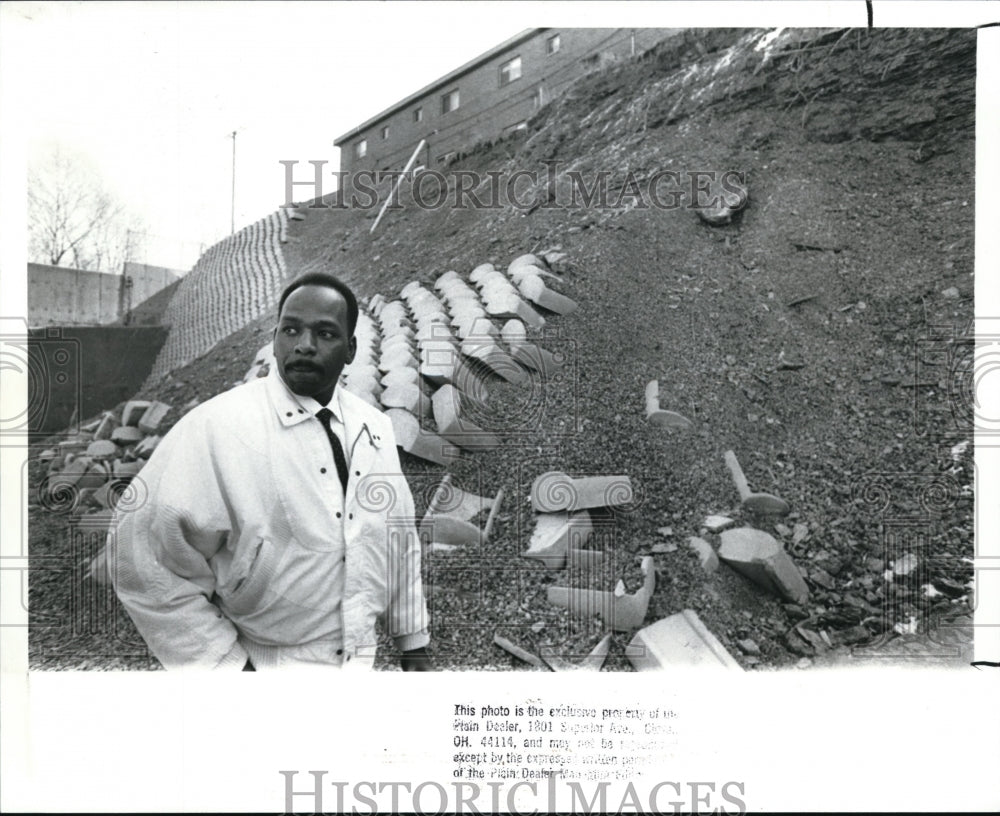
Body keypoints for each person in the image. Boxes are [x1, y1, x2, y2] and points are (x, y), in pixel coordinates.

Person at [109, 272, 431, 670]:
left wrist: (413, 640)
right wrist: (225, 666)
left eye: (325, 333)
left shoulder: (374, 428)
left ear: (350, 349)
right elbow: (140, 559)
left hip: (357, 668)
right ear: (275, 338)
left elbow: (397, 538)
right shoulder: (218, 427)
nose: (304, 346)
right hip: (267, 668)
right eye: (290, 330)